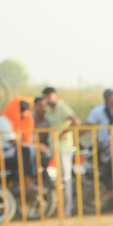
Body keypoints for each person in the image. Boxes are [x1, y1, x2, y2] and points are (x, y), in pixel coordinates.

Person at [42, 87, 80, 215]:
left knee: (65, 178)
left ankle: (67, 209)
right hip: (54, 148)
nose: (48, 99)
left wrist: (64, 132)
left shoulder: (62, 107)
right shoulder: (51, 110)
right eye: (46, 97)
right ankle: (60, 207)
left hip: (64, 148)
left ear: (56, 96)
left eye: (50, 96)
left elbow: (76, 122)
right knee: (59, 179)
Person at [0, 99, 39, 184]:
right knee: (27, 150)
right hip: (2, 152)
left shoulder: (14, 122)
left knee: (32, 151)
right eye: (25, 112)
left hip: (12, 150)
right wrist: (36, 146)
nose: (27, 115)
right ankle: (27, 184)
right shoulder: (4, 121)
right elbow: (13, 142)